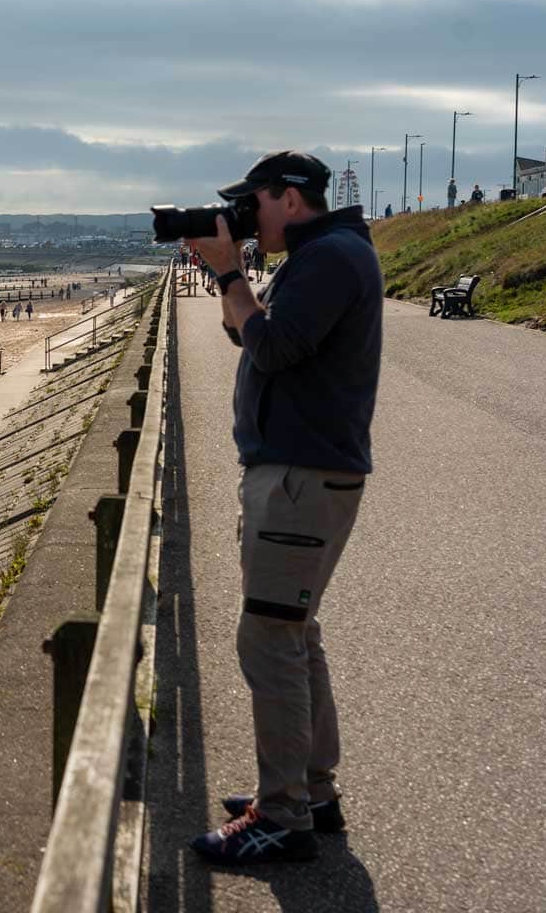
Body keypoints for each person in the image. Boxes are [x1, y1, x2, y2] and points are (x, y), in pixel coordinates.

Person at [186, 150, 382, 866]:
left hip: (301, 478)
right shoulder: (324, 252)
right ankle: (312, 790)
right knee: (293, 632)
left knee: (268, 640)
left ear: (290, 199)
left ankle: (284, 817)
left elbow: (269, 349)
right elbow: (252, 333)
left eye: (253, 204)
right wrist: (226, 277)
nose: (245, 217)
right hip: (303, 472)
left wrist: (232, 270)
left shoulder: (330, 258)